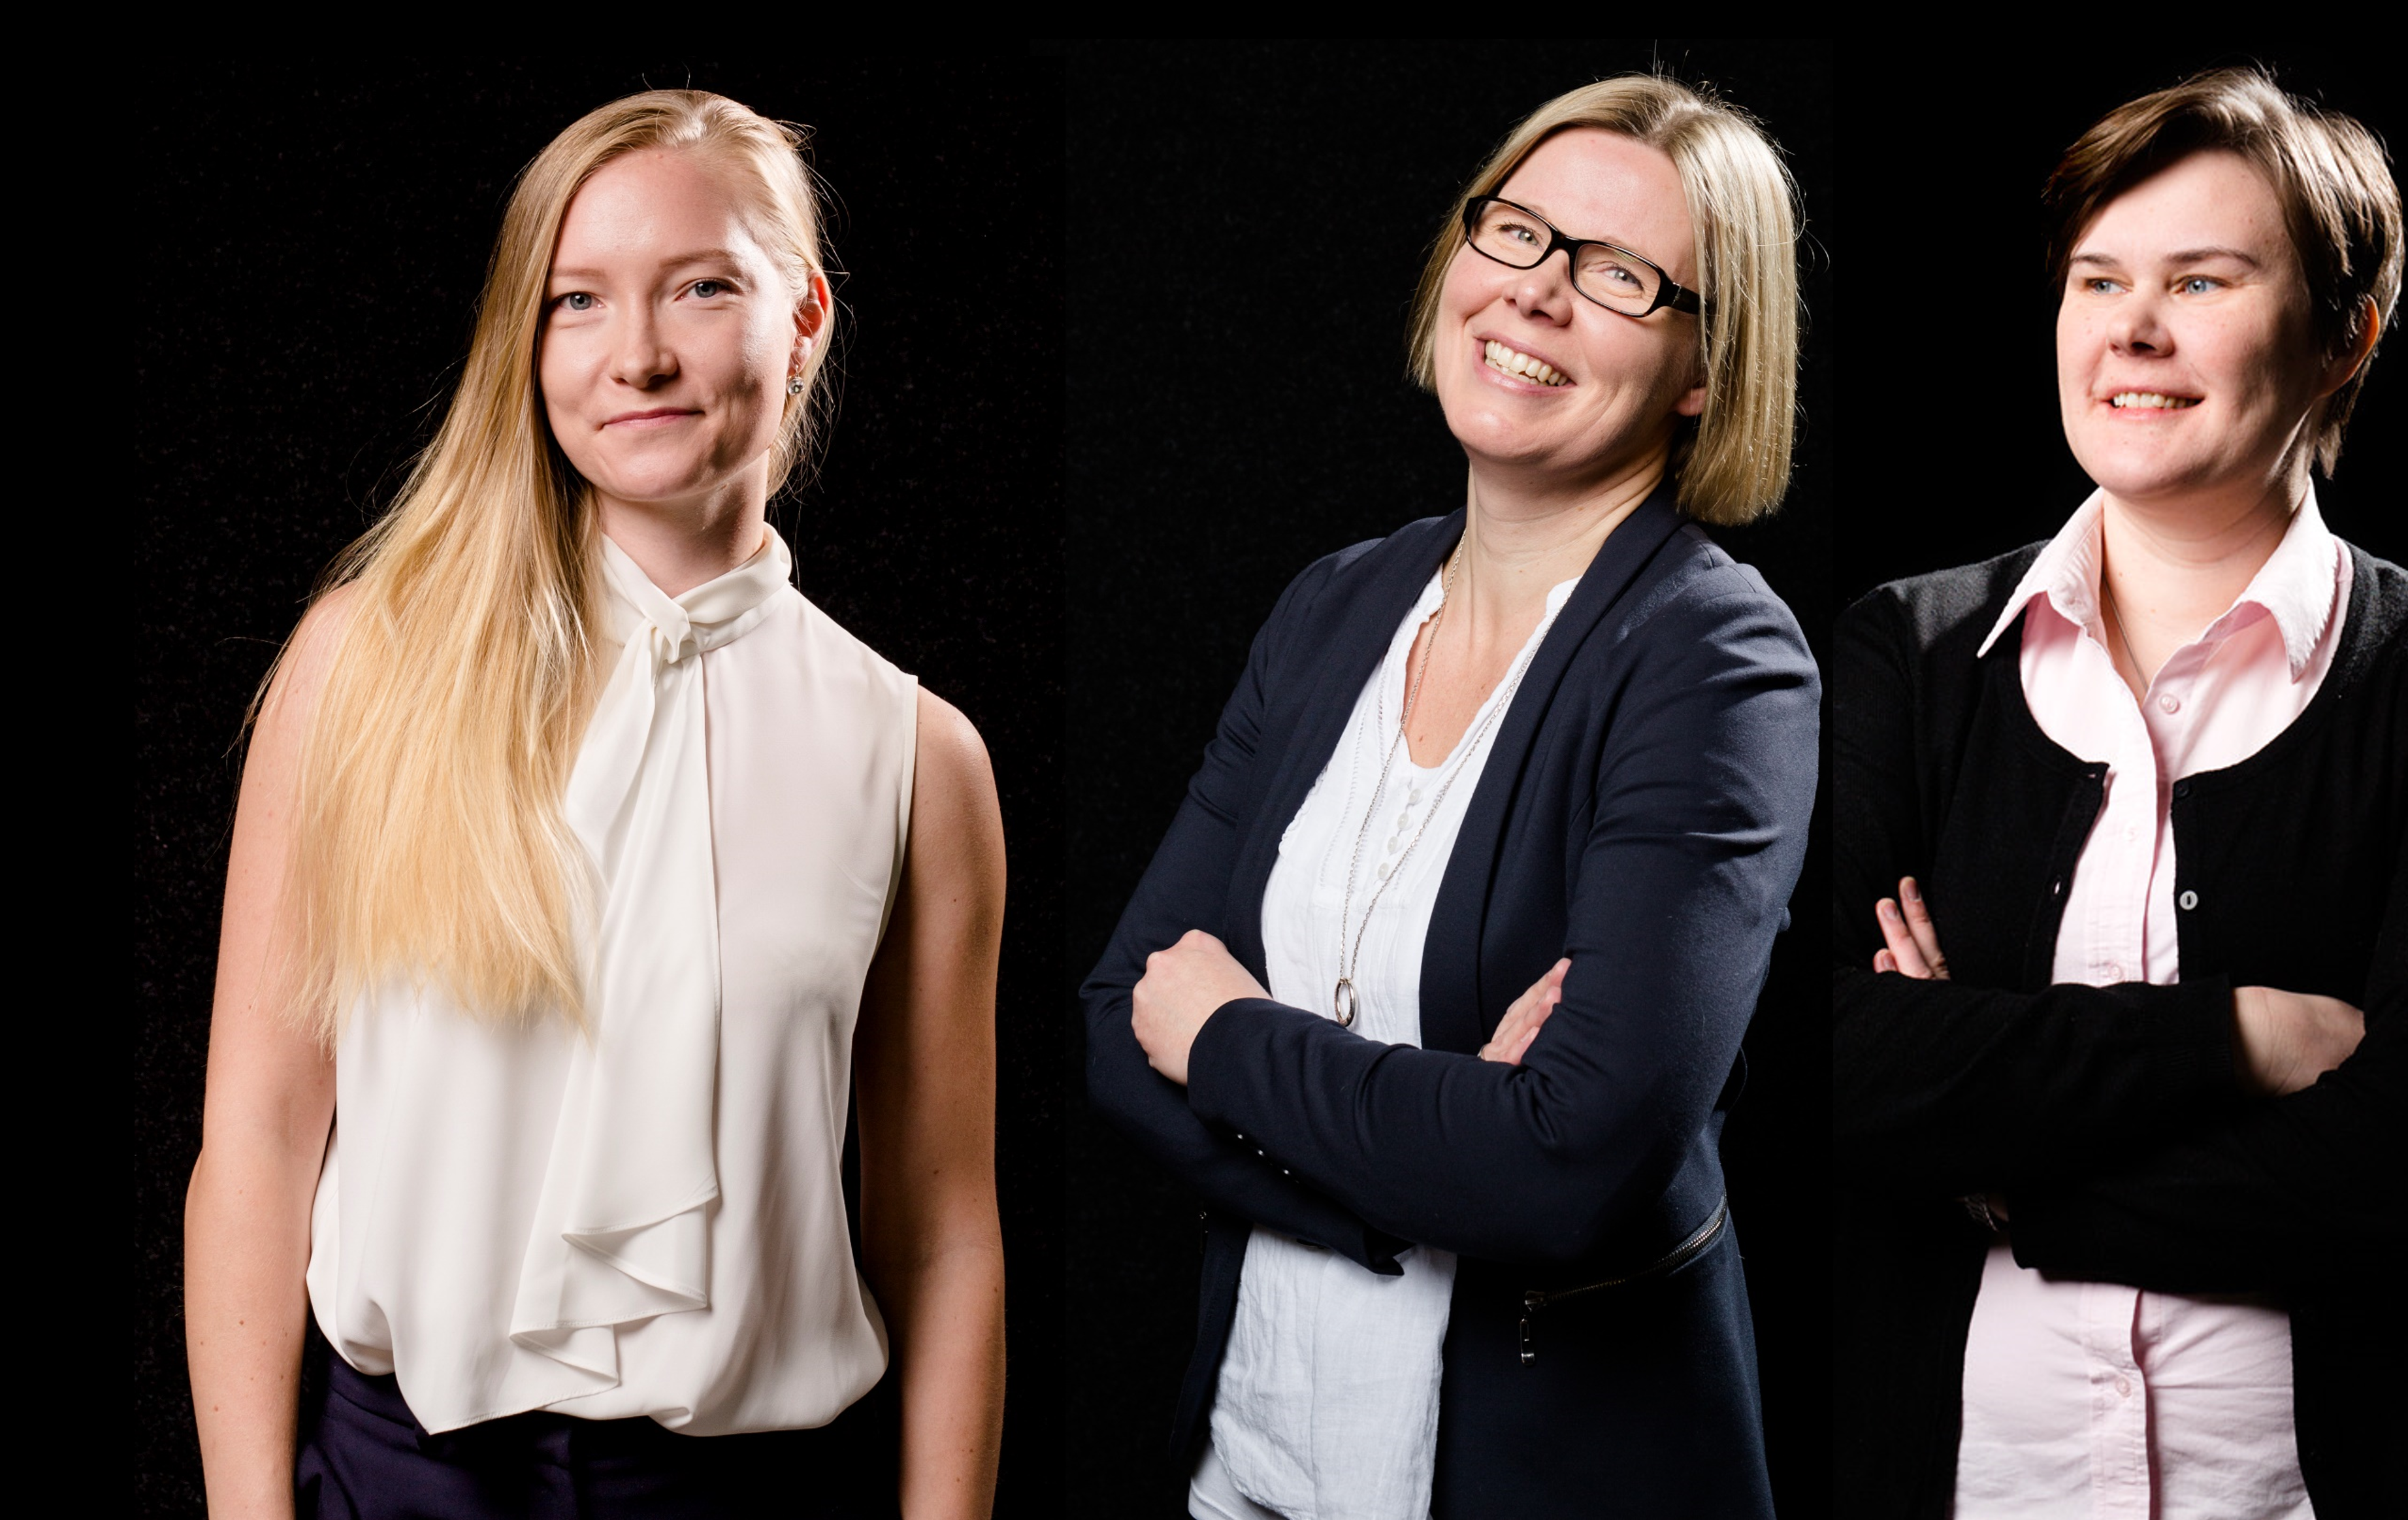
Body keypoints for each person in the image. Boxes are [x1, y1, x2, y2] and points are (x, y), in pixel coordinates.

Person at [181, 90, 1006, 1519]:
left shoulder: (918, 758)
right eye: (577, 301)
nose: (637, 354)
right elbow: (256, 1137)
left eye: (702, 287)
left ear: (803, 317)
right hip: (394, 1480)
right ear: (529, 338)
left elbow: (942, 1231)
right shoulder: (364, 663)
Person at [1830, 67, 2408, 1517]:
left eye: (2201, 278)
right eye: (2097, 278)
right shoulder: (1907, 657)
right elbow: (1831, 1064)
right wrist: (2241, 1038)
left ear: (2342, 337)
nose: (2130, 327)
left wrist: (2000, 1172)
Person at [1081, 74, 1814, 1519]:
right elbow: (1114, 1019)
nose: (1537, 295)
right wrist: (1418, 1157)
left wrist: (1225, 1033)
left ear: (1704, 371)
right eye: (1518, 233)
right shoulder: (1338, 601)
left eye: (1618, 274)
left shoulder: (1715, 662)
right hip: (1245, 1466)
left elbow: (1561, 1166)